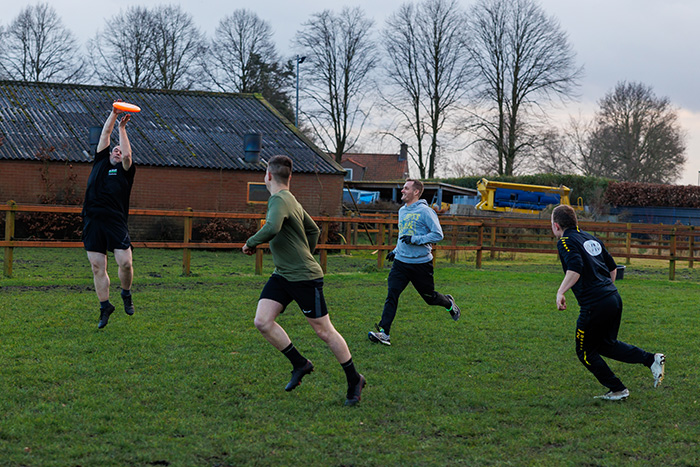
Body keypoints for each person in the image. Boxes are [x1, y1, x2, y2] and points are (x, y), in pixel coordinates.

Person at [242, 155, 365, 406]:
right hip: (283, 274)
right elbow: (314, 231)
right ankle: (300, 364)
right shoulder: (291, 200)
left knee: (324, 331)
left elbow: (272, 227)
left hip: (304, 278)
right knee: (263, 321)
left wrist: (250, 243)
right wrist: (303, 252)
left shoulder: (279, 200)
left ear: (267, 176)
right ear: (290, 177)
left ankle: (355, 379)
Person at [551, 204, 665, 400]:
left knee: (585, 352)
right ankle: (651, 359)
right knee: (605, 345)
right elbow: (613, 267)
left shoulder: (566, 241)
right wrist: (605, 290)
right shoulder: (590, 237)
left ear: (556, 225)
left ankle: (618, 390)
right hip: (613, 298)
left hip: (595, 304)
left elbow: (575, 267)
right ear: (575, 222)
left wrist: (561, 291)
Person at [368, 179, 460, 346]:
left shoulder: (426, 212)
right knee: (392, 296)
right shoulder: (402, 211)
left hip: (421, 265)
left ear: (416, 192)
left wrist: (416, 240)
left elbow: (438, 235)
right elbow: (403, 234)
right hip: (400, 263)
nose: (402, 191)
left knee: (430, 298)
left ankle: (448, 303)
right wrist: (395, 251)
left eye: (406, 188)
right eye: (403, 188)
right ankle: (384, 333)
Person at [82, 102, 136, 329]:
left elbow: (128, 155)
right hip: (92, 220)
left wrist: (123, 130)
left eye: (119, 149)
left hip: (115, 222)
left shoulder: (125, 172)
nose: (116, 150)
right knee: (97, 266)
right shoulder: (101, 162)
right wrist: (114, 115)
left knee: (125, 263)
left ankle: (126, 292)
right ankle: (105, 307)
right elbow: (105, 134)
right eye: (114, 148)